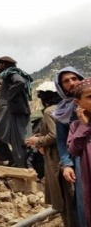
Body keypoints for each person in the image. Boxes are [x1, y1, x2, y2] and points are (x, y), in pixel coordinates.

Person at [25, 81, 77, 225]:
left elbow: (54, 135)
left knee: (64, 199)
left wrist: (38, 141)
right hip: (66, 157)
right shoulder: (65, 109)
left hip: (56, 159)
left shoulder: (50, 111)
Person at [53, 66, 86, 226]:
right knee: (84, 198)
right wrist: (67, 164)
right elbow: (61, 140)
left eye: (74, 78)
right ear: (61, 86)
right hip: (80, 158)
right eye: (66, 81)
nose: (72, 83)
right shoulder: (61, 111)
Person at [0, 56, 32, 168]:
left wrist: (9, 96)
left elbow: (20, 82)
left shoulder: (11, 73)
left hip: (13, 113)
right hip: (12, 112)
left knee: (18, 142)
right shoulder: (9, 74)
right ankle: (12, 161)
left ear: (4, 64)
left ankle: (22, 168)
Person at [68, 78, 91, 227]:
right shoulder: (76, 126)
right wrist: (84, 125)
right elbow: (74, 150)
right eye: (89, 97)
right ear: (78, 103)